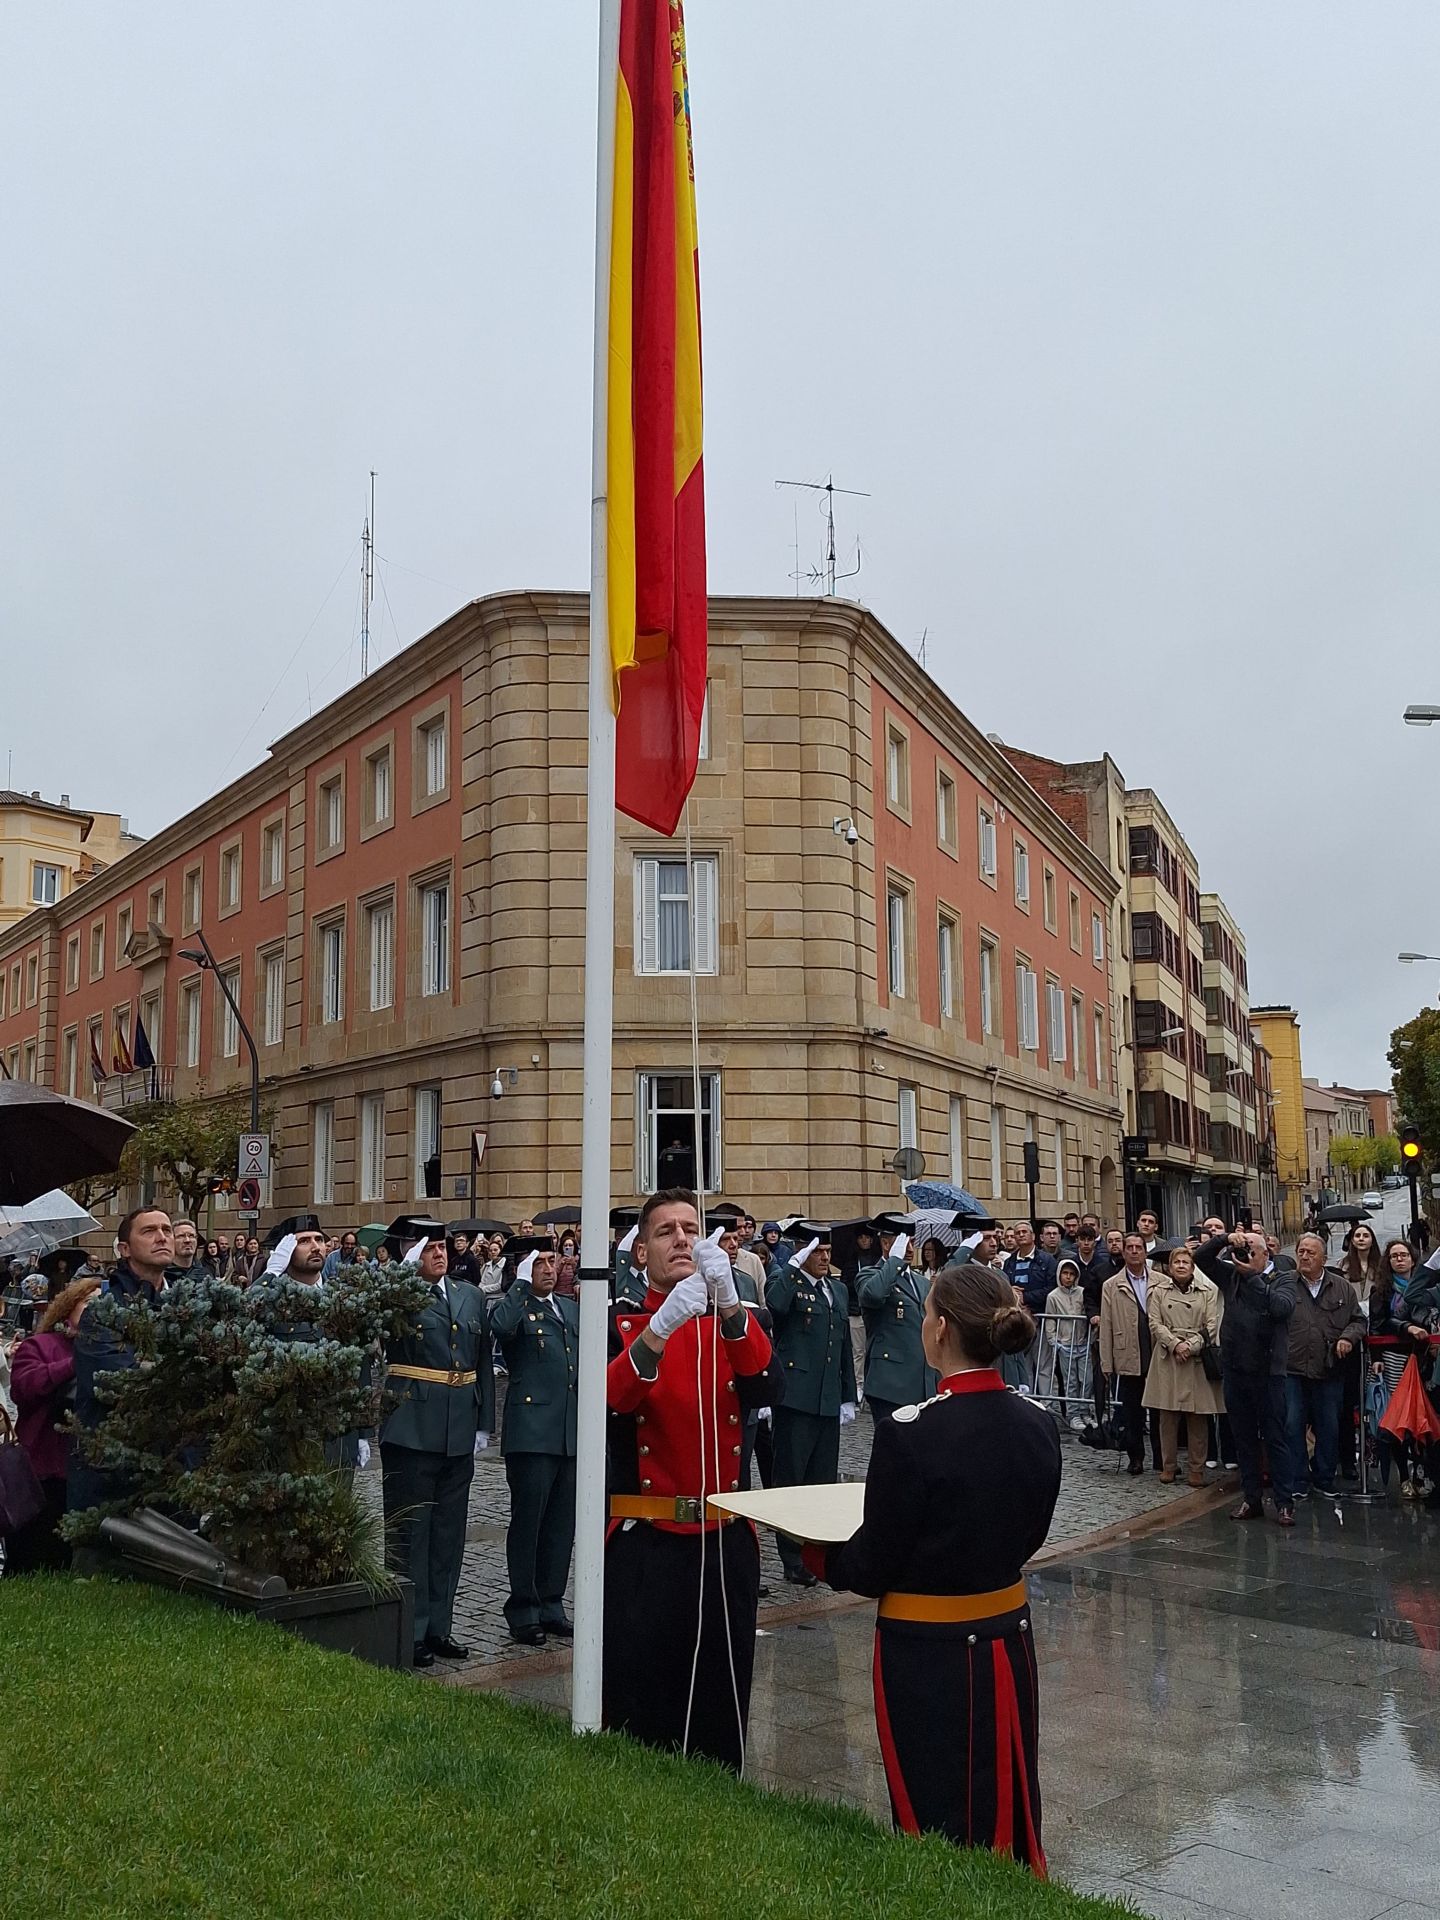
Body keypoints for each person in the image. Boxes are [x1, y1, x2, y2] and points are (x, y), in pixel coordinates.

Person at [811, 1263, 1060, 1873]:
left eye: (926, 1315)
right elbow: (1032, 1531)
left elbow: (877, 1560)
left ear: (941, 1330)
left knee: (932, 1804)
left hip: (928, 1647)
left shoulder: (910, 1433)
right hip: (1009, 1633)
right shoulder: (1038, 1423)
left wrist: (821, 1556)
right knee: (1007, 1789)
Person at [604, 1188, 776, 1770]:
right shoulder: (620, 1322)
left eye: (689, 1228)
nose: (681, 1238)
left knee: (720, 1708)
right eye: (664, 1231)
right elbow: (613, 1401)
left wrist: (729, 1307)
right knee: (641, 1707)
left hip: (723, 1535)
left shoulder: (737, 1320)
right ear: (640, 1254)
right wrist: (660, 1327)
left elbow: (764, 1388)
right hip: (647, 1540)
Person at [379, 1220, 495, 1668]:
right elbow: (383, 1331)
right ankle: (409, 1626)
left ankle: (439, 1626)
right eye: (430, 1249)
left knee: (449, 1533)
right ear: (413, 1253)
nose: (440, 1255)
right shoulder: (400, 1298)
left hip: (457, 1430)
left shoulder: (470, 1296)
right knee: (411, 1533)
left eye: (443, 1247)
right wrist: (399, 1281)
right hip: (411, 1426)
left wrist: (485, 1421)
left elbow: (481, 1360)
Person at [490, 1244, 579, 1647]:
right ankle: (523, 1607)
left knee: (561, 1524)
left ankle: (552, 1601)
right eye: (539, 1263)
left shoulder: (569, 1307)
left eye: (551, 1261)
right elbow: (501, 1328)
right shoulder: (518, 1306)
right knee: (529, 1522)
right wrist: (520, 1285)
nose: (548, 1268)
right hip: (531, 1431)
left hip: (568, 1430)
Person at [765, 1225, 857, 1587]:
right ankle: (790, 1557)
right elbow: (774, 1306)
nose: (824, 1258)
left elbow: (843, 1345)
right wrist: (792, 1266)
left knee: (821, 1480)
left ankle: (817, 1552)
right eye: (817, 1252)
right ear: (803, 1252)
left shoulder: (836, 1289)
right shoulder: (789, 1282)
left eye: (827, 1251)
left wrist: (848, 1393)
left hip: (827, 1399)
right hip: (796, 1398)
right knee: (791, 1480)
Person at [248, 1216, 373, 1478]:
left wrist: (362, 1432)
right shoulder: (271, 1301)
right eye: (304, 1241)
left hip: (338, 1434)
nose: (316, 1246)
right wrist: (270, 1275)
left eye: (319, 1239)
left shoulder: (343, 1300)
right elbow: (240, 1316)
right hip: (288, 1436)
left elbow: (360, 1371)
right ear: (285, 1251)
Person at [70, 1207, 175, 1517]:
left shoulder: (183, 1305)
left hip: (174, 1467)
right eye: (149, 1231)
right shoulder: (104, 1310)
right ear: (125, 1249)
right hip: (112, 1473)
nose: (162, 1237)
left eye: (166, 1230)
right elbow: (115, 1382)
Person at [1194, 1229, 1297, 1525]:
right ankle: (1251, 1499)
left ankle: (1284, 1502)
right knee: (1244, 1440)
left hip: (1268, 1373)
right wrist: (1226, 1239)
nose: (1246, 1254)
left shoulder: (1283, 1278)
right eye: (1244, 1248)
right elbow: (1200, 1257)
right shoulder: (1231, 1275)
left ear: (1267, 1254)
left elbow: (1281, 1308)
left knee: (1275, 1438)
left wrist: (1253, 1276)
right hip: (1236, 1371)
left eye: (1253, 1249)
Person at [4, 1272, 104, 1573]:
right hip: (45, 1474)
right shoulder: (42, 1345)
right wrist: (75, 1363)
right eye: (88, 1303)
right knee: (34, 1559)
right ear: (68, 1308)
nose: (95, 1310)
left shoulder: (114, 1352)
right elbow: (23, 1388)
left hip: (93, 1473)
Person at [1283, 1233, 1366, 1501]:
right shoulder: (1285, 1284)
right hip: (1292, 1368)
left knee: (1329, 1425)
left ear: (1323, 1258)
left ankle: (1324, 1478)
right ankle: (1298, 1479)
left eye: (1311, 1252)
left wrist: (1347, 1338)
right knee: (1293, 1424)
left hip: (1329, 1369)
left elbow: (1358, 1321)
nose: (1305, 1256)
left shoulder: (1341, 1287)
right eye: (1301, 1251)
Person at [1142, 1246, 1222, 1486]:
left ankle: (1196, 1469)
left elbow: (1211, 1325)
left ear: (1193, 1266)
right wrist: (1175, 1344)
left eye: (1185, 1262)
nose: (1180, 1265)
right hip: (1168, 1357)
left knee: (1197, 1418)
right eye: (1176, 1261)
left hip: (1195, 1359)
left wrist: (1192, 1345)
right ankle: (1169, 1466)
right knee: (1167, 1416)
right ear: (1169, 1265)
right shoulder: (1158, 1292)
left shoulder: (1206, 1291)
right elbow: (1154, 1323)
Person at [1367, 1239, 1440, 1496]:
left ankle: (1423, 1471)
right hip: (1395, 1357)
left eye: (1404, 1255)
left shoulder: (1427, 1286)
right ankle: (1404, 1475)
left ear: (1412, 1259)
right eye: (1394, 1256)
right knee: (1400, 1418)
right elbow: (1377, 1324)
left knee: (1424, 1416)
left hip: (1424, 1358)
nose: (1399, 1260)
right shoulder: (1382, 1291)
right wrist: (1405, 1327)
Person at [1099, 1234, 1161, 1474]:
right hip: (1128, 1353)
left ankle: (1161, 1457)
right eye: (1130, 1248)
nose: (1134, 1251)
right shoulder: (1111, 1285)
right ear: (1123, 1252)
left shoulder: (1160, 1281)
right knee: (1132, 1411)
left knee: (1159, 1411)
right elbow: (1106, 1325)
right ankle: (1135, 1457)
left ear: (1145, 1252)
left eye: (1139, 1247)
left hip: (1155, 1351)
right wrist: (1107, 1362)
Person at [857, 1229, 933, 1426]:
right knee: (892, 1451)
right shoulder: (869, 1275)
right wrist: (894, 1261)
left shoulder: (921, 1282)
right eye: (903, 1242)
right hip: (890, 1385)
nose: (910, 1248)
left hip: (923, 1382)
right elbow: (873, 1295)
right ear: (885, 1244)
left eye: (912, 1242)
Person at [1041, 1256, 1089, 1418]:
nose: (1068, 1277)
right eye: (1065, 1273)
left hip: (1083, 1343)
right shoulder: (1053, 1296)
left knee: (1086, 1380)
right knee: (1071, 1382)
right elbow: (1050, 1320)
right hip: (1065, 1345)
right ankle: (1073, 1414)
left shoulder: (1082, 1293)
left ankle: (1085, 1411)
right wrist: (1054, 1342)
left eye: (1072, 1274)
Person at [1005, 1222, 1056, 1315]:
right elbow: (1004, 1285)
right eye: (1017, 1233)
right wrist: (1010, 1291)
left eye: (1024, 1232)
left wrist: (1025, 1297)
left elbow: (1052, 1288)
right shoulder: (1008, 1262)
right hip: (1015, 1313)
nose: (1021, 1235)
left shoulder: (1048, 1260)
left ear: (1033, 1236)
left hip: (1039, 1313)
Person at [167, 1219, 209, 1284]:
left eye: (191, 1236)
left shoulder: (206, 1276)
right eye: (181, 1236)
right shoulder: (162, 1276)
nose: (187, 1240)